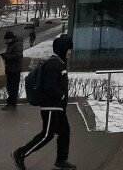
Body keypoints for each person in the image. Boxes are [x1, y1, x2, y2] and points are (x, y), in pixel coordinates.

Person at [12, 35, 76, 170]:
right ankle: (20, 153)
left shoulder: (59, 63)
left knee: (64, 133)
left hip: (58, 107)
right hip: (51, 107)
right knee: (47, 135)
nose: (70, 52)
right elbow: (49, 86)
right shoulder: (54, 64)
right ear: (63, 49)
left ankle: (61, 161)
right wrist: (61, 95)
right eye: (69, 49)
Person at [0, 30, 24, 110]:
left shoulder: (18, 44)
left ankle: (12, 104)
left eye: (7, 39)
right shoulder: (10, 44)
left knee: (13, 87)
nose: (6, 41)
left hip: (15, 69)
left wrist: (6, 56)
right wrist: (5, 55)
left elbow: (18, 56)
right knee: (9, 87)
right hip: (10, 69)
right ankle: (10, 103)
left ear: (11, 38)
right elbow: (12, 54)